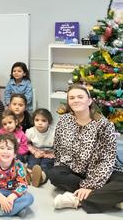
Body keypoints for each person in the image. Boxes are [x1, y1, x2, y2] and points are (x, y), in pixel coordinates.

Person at [47, 84, 123, 213]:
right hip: (75, 169)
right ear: (68, 102)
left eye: (80, 97)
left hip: (103, 171)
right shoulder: (63, 121)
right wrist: (86, 183)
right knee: (54, 175)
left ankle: (76, 200)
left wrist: (91, 185)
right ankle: (106, 197)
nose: (75, 100)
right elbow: (59, 150)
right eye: (71, 98)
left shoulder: (104, 125)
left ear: (89, 100)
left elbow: (107, 160)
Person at [0, 133, 34, 218]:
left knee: (29, 198)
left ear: (15, 153)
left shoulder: (18, 164)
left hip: (13, 192)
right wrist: (1, 198)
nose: (5, 151)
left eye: (9, 149)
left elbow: (23, 184)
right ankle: (17, 209)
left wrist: (12, 197)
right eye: (1, 148)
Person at [25, 108, 55, 187]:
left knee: (46, 164)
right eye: (37, 120)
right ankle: (29, 175)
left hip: (49, 154)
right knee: (32, 162)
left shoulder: (54, 132)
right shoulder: (31, 131)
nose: (40, 123)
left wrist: (50, 154)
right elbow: (26, 144)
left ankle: (41, 177)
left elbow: (59, 147)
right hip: (36, 152)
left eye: (43, 120)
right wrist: (34, 152)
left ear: (49, 122)